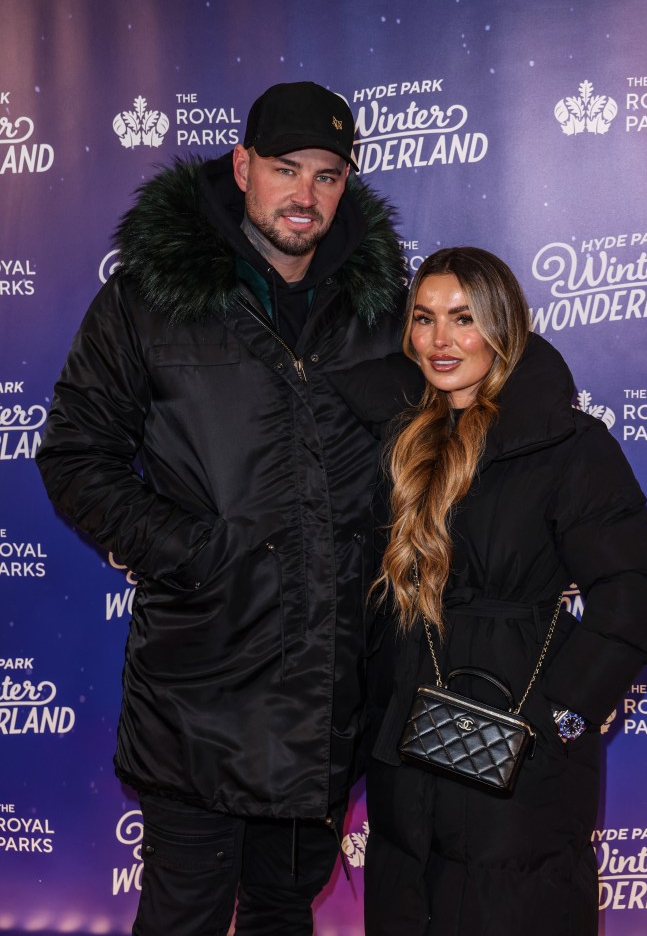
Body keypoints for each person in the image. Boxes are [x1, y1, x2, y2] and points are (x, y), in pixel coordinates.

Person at [36, 81, 408, 935]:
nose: (305, 195)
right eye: (285, 169)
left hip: (328, 689)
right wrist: (191, 552)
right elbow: (74, 454)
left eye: (326, 175)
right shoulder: (146, 297)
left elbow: (471, 389)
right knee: (187, 914)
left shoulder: (385, 308)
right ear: (242, 166)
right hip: (200, 684)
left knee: (283, 909)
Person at [359, 247, 647, 935]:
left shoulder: (567, 443)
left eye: (462, 318)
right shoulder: (402, 438)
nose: (439, 340)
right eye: (423, 318)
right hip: (409, 733)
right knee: (408, 900)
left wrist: (563, 711)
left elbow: (636, 587)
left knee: (507, 907)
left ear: (502, 327)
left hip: (518, 736)